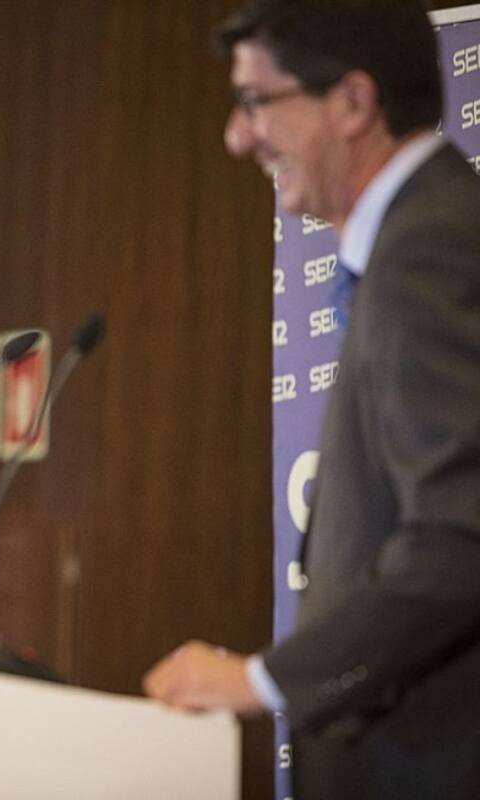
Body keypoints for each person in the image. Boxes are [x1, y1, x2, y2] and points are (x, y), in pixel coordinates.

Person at [142, 2, 480, 797]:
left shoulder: (432, 247)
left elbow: (461, 534)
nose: (238, 136)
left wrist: (259, 680)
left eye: (257, 101)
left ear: (352, 103)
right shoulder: (419, 238)